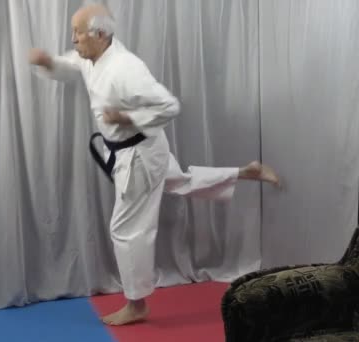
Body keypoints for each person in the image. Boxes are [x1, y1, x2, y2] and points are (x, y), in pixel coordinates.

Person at [28, 3, 280, 326]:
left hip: (139, 157)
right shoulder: (93, 56)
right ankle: (247, 172)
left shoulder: (126, 68)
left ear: (100, 34)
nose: (73, 39)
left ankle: (136, 305)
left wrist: (127, 116)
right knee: (182, 183)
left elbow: (169, 106)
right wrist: (49, 62)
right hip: (143, 150)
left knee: (124, 229)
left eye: (77, 32)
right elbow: (71, 61)